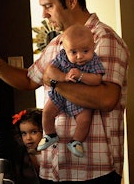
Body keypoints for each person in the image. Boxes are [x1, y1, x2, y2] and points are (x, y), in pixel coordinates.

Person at [0, 0, 129, 183]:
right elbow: (29, 79)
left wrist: (55, 83)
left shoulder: (104, 39)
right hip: (55, 168)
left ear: (71, 1)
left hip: (93, 172)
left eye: (48, 6)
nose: (44, 14)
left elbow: (107, 99)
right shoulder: (57, 44)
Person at [37, 24, 105, 159]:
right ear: (65, 49)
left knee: (85, 120)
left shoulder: (94, 61)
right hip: (60, 95)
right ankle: (50, 134)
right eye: (73, 52)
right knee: (47, 112)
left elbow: (97, 79)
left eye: (85, 51)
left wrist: (81, 75)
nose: (80, 56)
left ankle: (76, 142)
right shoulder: (62, 57)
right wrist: (64, 77)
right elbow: (50, 71)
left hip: (82, 100)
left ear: (93, 46)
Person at [12, 108, 43, 183]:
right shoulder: (21, 156)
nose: (28, 138)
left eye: (33, 132)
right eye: (24, 133)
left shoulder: (52, 153)